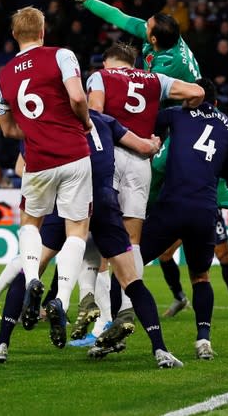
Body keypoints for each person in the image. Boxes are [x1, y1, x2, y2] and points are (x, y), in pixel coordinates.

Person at [59, 0, 228, 316]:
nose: (143, 27)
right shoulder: (168, 39)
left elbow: (142, 101)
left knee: (163, 178)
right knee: (211, 188)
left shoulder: (166, 67)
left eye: (148, 28)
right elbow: (122, 18)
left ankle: (117, 274)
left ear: (154, 39)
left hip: (182, 123)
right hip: (187, 117)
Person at [0, 109, 183, 368]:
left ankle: (1, 345)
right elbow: (143, 146)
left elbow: (28, 164)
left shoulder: (46, 120)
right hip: (104, 203)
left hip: (67, 203)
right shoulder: (104, 120)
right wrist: (154, 144)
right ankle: (161, 350)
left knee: (30, 268)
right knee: (131, 279)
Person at [84, 41, 204, 331]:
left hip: (109, 158)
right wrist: (160, 128)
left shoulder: (100, 77)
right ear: (133, 63)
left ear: (107, 62)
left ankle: (102, 321)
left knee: (100, 241)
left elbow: (95, 114)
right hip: (141, 162)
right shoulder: (155, 80)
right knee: (132, 240)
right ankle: (128, 308)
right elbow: (197, 92)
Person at [0, 6, 93, 343]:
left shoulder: (4, 74)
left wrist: (36, 129)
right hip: (74, 154)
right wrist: (84, 120)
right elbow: (78, 96)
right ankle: (61, 301)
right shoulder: (61, 55)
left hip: (37, 160)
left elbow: (7, 129)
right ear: (42, 30)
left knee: (30, 222)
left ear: (14, 35)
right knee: (77, 229)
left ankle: (32, 276)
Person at [140, 78, 228, 360]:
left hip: (171, 205)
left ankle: (114, 326)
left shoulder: (176, 114)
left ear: (188, 96)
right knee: (201, 277)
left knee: (129, 264)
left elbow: (151, 124)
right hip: (204, 210)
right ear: (216, 103)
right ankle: (203, 340)